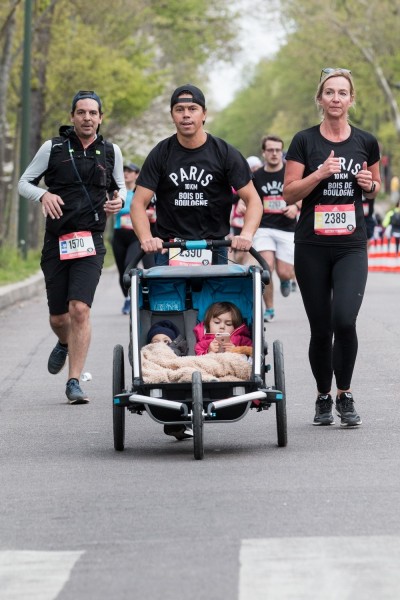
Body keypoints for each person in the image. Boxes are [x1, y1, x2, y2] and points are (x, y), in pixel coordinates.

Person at [283, 68, 381, 427]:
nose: (336, 98)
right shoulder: (304, 141)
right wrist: (320, 173)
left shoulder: (366, 142)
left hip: (350, 246)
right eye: (330, 92)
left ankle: (346, 394)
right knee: (322, 327)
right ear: (320, 99)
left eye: (342, 93)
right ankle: (323, 396)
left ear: (351, 100)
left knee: (345, 319)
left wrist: (368, 184)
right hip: (311, 245)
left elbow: (374, 188)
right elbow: (289, 192)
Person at [18, 90, 126, 404]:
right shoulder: (52, 147)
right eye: (81, 112)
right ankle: (63, 343)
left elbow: (116, 189)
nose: (87, 118)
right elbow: (25, 182)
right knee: (59, 318)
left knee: (79, 310)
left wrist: (116, 202)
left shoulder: (111, 151)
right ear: (72, 117)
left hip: (90, 240)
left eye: (93, 113)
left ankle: (74, 381)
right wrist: (43, 195)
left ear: (100, 118)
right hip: (57, 241)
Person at [130, 84, 263, 265]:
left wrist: (246, 234)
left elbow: (253, 199)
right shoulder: (160, 153)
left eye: (192, 109)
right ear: (172, 115)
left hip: (215, 245)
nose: (186, 114)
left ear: (204, 114)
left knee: (213, 294)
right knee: (165, 294)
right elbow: (138, 203)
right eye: (179, 109)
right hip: (169, 247)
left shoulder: (224, 153)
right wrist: (146, 238)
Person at [252, 135, 298, 322]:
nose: (274, 154)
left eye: (278, 150)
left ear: (282, 152)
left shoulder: (290, 173)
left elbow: (302, 193)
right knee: (266, 267)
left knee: (285, 271)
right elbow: (250, 198)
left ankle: (286, 279)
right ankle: (269, 308)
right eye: (270, 150)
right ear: (264, 152)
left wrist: (296, 206)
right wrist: (243, 205)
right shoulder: (256, 176)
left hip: (287, 228)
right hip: (264, 227)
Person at [112, 162, 155, 315]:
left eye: (130, 171)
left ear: (137, 175)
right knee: (121, 270)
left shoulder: (140, 192)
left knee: (128, 265)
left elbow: (152, 209)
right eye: (124, 171)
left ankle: (136, 299)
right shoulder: (118, 193)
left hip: (136, 235)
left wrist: (149, 214)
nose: (126, 174)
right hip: (119, 234)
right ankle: (127, 299)